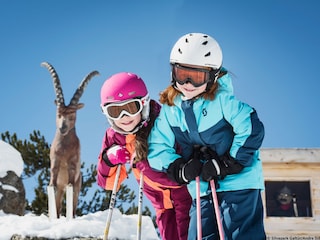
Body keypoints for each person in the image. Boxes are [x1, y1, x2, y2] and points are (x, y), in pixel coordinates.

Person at [147, 33, 266, 240]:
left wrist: (228, 163)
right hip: (201, 188)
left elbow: (251, 128)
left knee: (237, 235)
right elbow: (158, 147)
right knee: (199, 235)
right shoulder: (170, 109)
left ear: (212, 76)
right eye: (182, 74)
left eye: (197, 76)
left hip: (238, 185)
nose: (188, 83)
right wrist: (180, 169)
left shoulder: (222, 101)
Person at [96, 72, 192, 240]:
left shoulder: (163, 124)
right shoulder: (114, 136)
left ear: (144, 104)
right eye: (115, 111)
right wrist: (108, 160)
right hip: (162, 205)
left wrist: (143, 166)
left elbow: (180, 176)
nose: (124, 117)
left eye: (131, 108)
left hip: (186, 198)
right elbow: (108, 184)